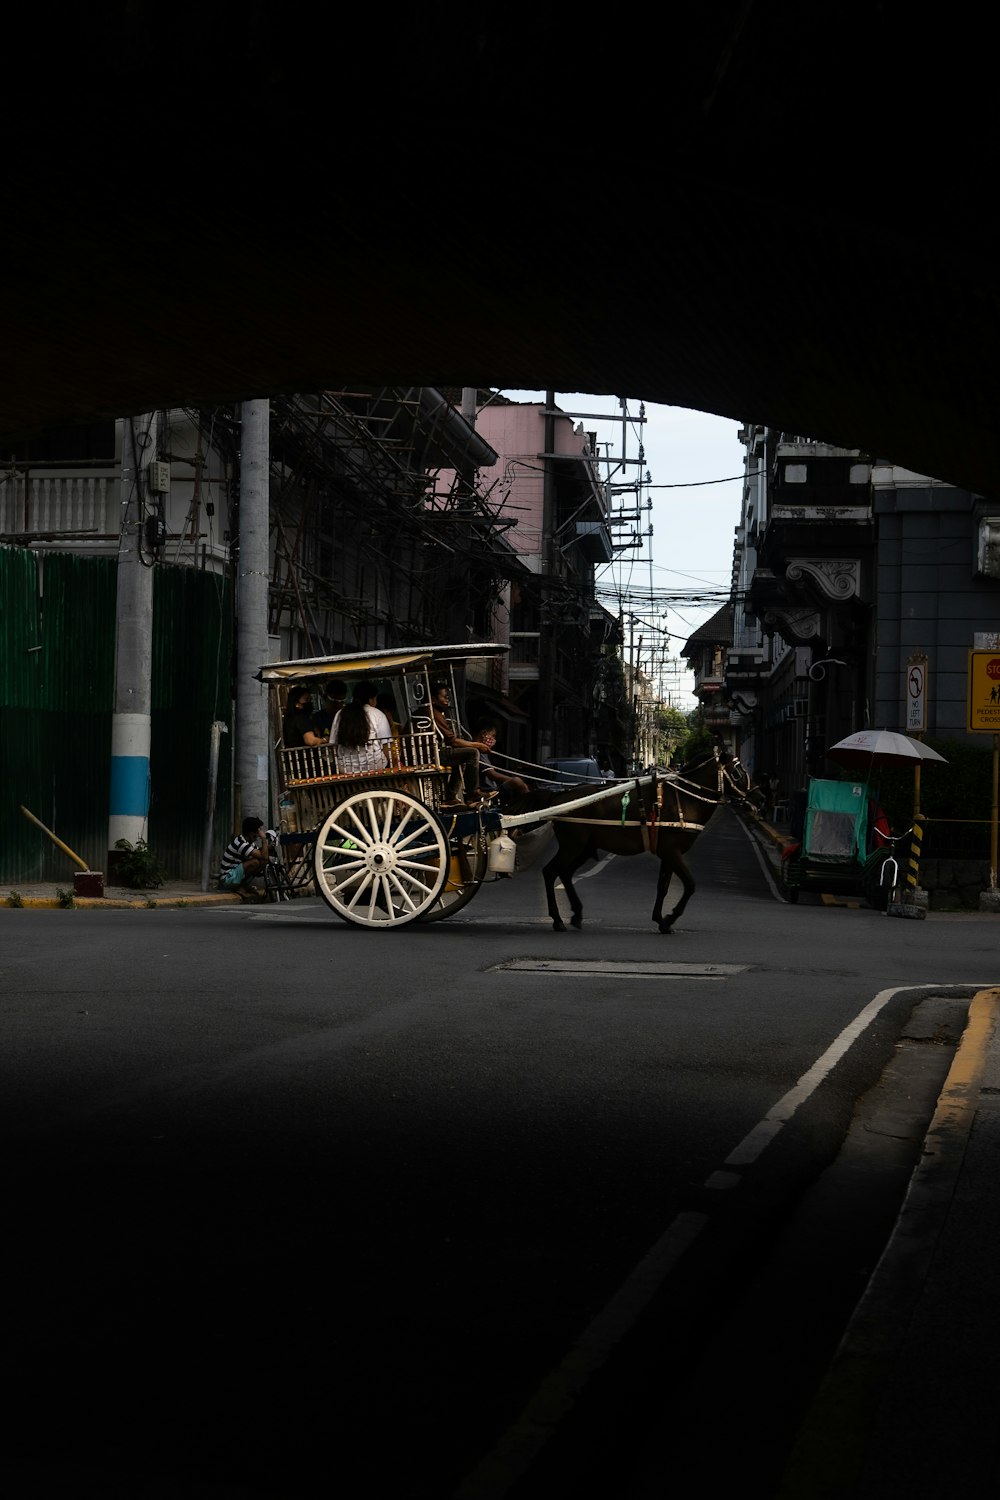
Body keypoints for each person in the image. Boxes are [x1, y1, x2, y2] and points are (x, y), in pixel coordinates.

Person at [429, 680, 492, 806]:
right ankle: (472, 793)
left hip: (435, 751)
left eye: (448, 697)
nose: (447, 699)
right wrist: (478, 745)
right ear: (433, 699)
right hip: (431, 754)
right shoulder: (432, 712)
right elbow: (452, 741)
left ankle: (450, 796)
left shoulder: (437, 713)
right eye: (444, 696)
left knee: (462, 755)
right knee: (472, 753)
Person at [330, 681, 393, 773]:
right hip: (376, 766)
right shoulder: (377, 714)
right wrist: (394, 764)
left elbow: (333, 745)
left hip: (346, 769)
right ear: (371, 699)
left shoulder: (340, 714)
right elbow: (386, 746)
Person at [473, 719, 529, 812]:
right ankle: (529, 808)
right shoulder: (478, 751)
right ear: (484, 734)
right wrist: (513, 780)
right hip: (489, 793)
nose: (494, 739)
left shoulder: (483, 751)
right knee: (517, 782)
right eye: (493, 735)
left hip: (493, 790)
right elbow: (492, 774)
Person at [217, 817, 270, 897]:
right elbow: (264, 856)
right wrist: (264, 839)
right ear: (251, 833)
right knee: (255, 862)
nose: (258, 835)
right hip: (227, 878)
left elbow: (263, 857)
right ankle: (239, 887)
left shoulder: (249, 843)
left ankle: (244, 885)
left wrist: (269, 847)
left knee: (263, 862)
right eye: (257, 832)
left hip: (235, 875)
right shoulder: (240, 843)